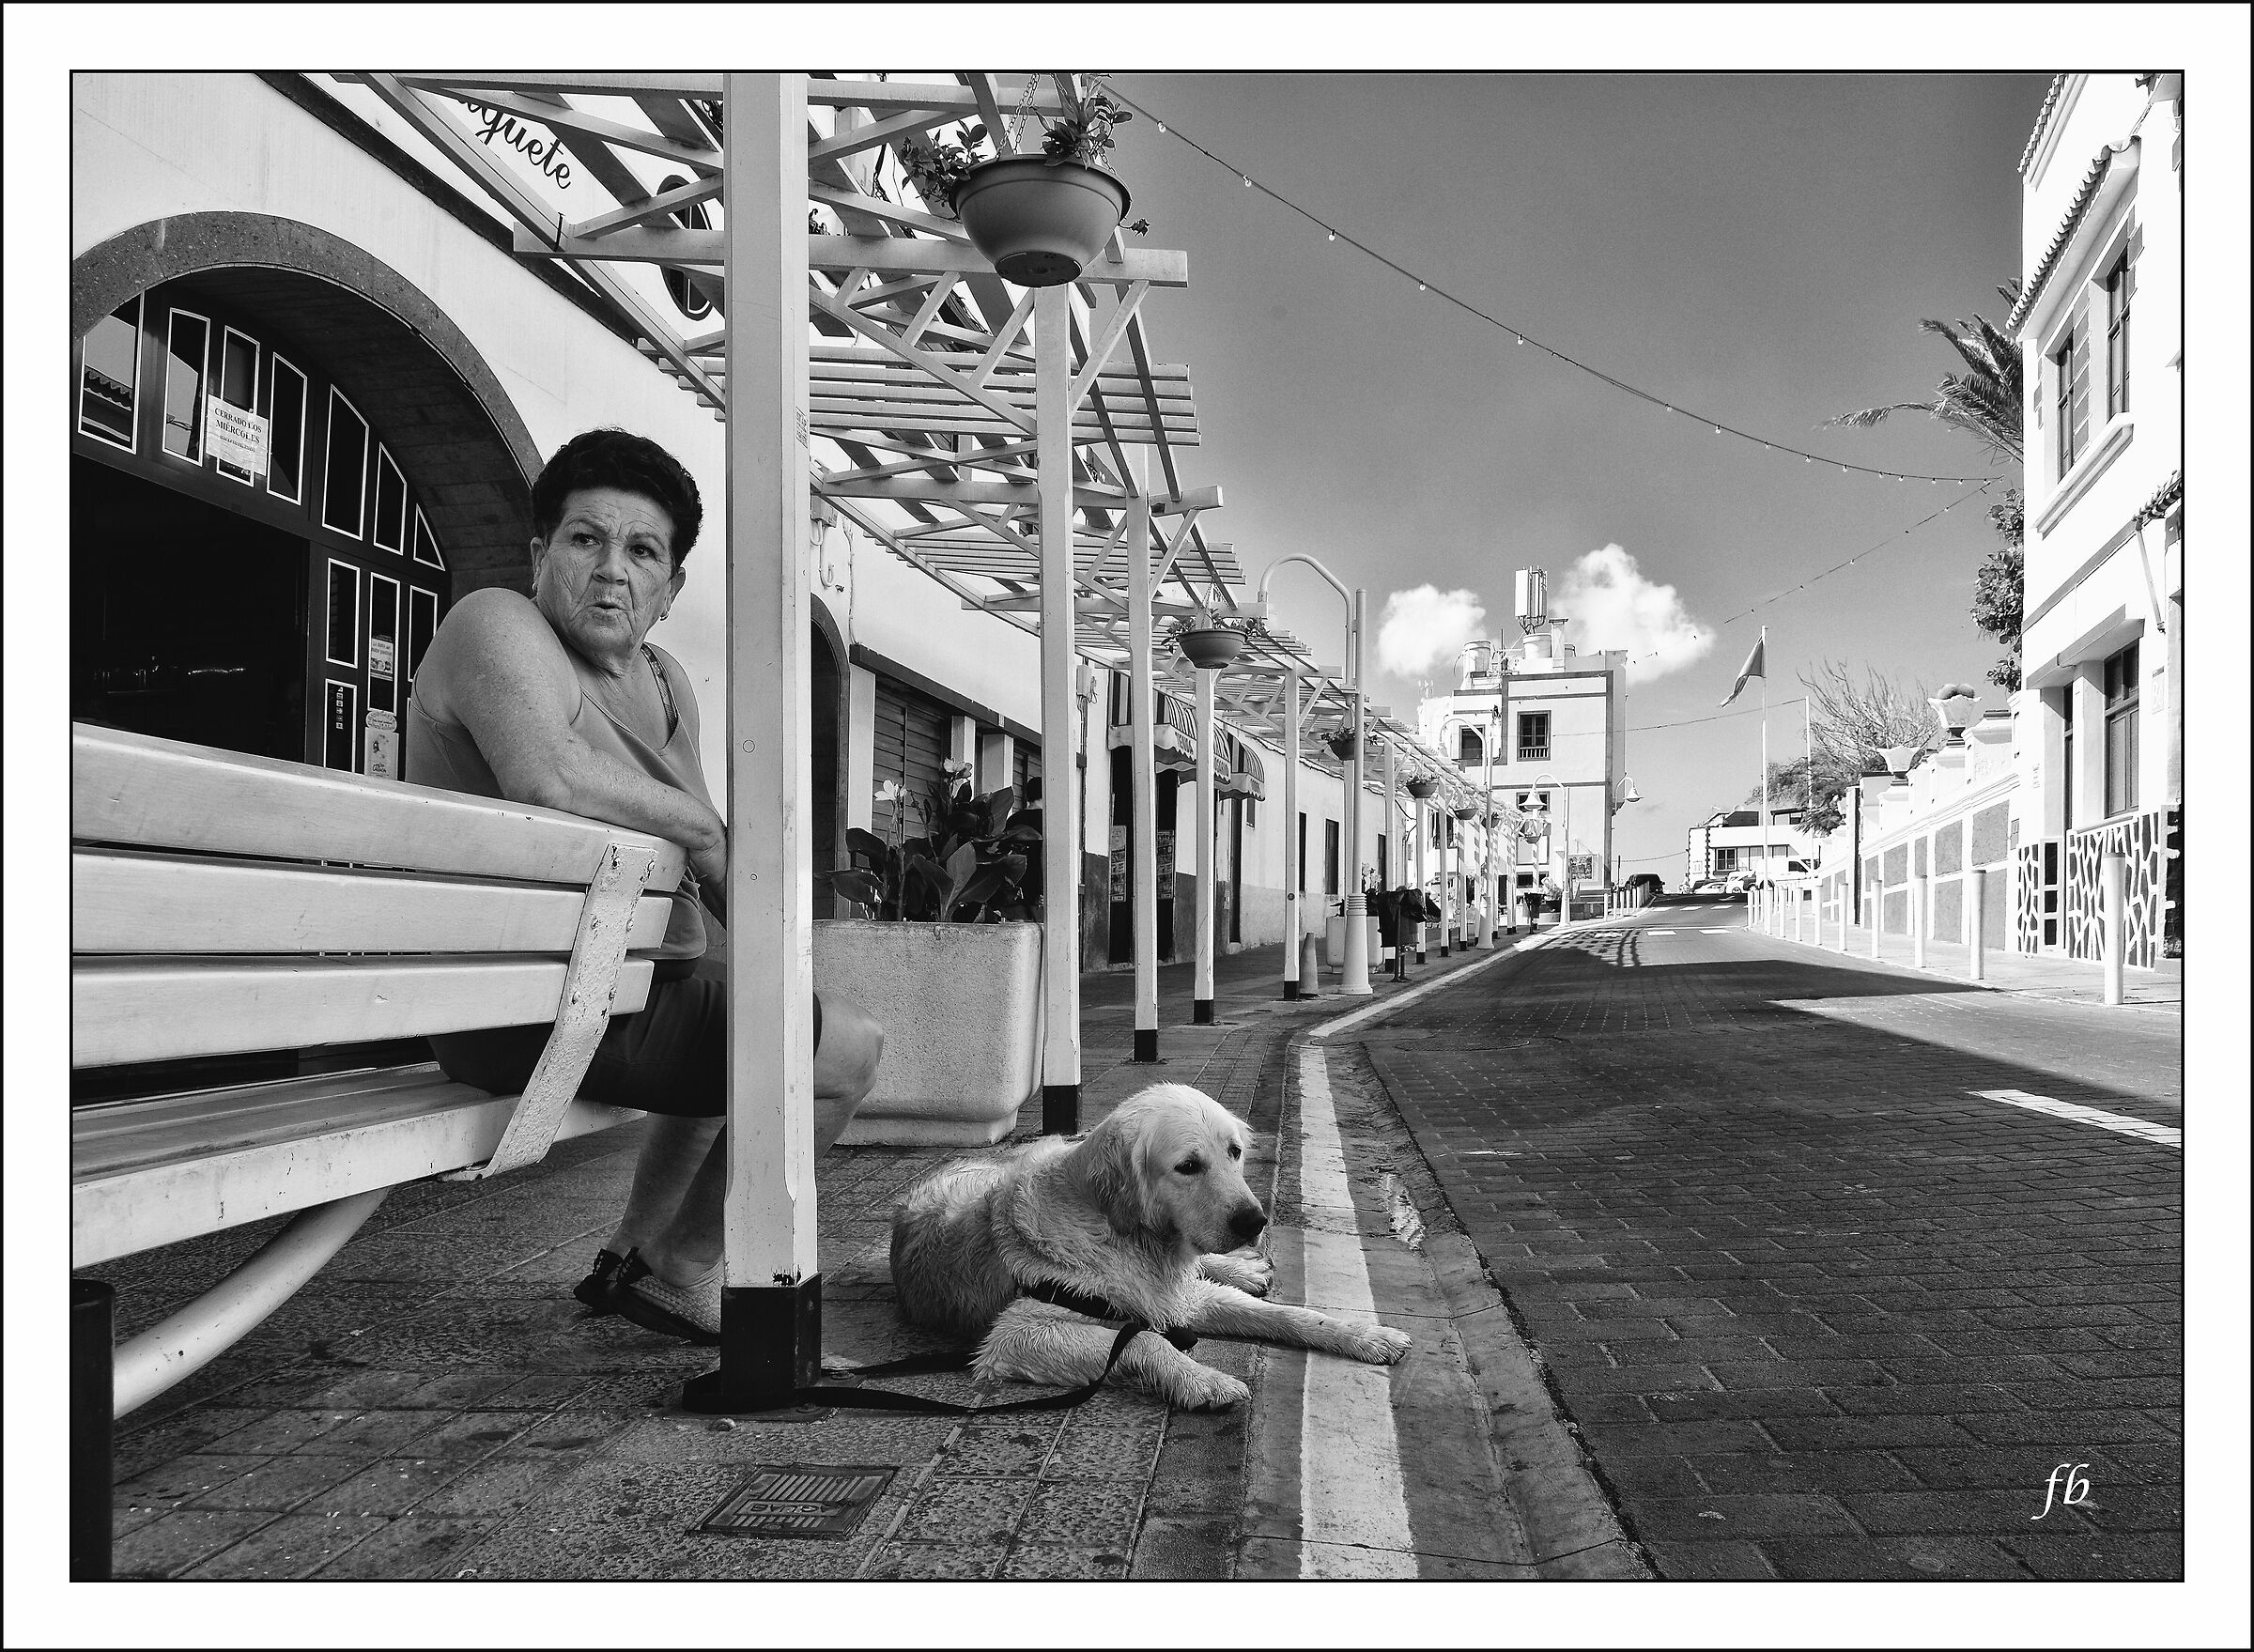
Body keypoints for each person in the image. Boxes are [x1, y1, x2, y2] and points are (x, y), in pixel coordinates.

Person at [407, 427, 883, 1345]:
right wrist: (702, 835)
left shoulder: (664, 683)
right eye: (586, 540)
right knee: (844, 1053)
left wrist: (771, 963)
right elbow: (548, 774)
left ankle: (631, 1255)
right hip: (524, 1008)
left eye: (642, 551)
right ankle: (684, 1268)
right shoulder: (497, 625)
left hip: (623, 986)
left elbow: (708, 858)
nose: (611, 571)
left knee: (778, 1013)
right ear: (540, 554)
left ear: (671, 588)